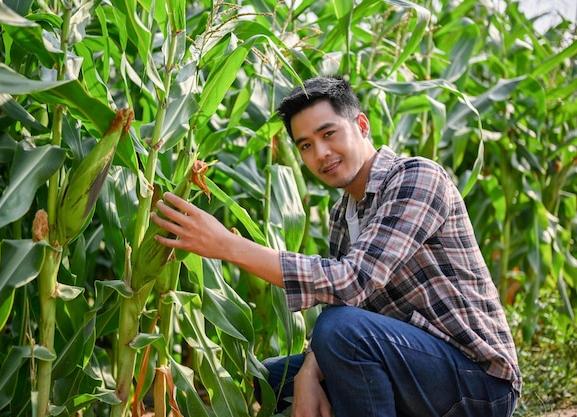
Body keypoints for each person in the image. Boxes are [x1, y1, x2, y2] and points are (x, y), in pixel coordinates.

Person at [150, 76, 521, 417]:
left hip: (478, 381)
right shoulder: (344, 213)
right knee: (268, 379)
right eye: (306, 145)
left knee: (339, 330)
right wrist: (310, 369)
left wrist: (227, 245)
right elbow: (349, 304)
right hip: (413, 363)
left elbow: (351, 282)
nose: (321, 153)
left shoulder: (416, 178)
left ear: (361, 126)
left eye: (329, 134)